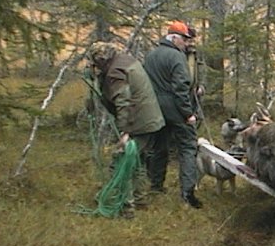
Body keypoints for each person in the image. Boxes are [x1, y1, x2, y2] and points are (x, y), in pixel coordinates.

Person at [85, 41, 165, 205]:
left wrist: (125, 132)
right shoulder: (125, 61)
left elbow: (123, 102)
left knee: (121, 161)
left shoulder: (115, 73)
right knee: (137, 161)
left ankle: (122, 203)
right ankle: (139, 199)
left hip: (138, 123)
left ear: (101, 61)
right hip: (150, 120)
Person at [144, 20, 203, 208]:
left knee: (158, 147)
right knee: (188, 147)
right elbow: (180, 88)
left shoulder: (151, 56)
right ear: (175, 38)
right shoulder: (177, 57)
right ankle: (188, 193)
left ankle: (155, 185)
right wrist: (188, 114)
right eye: (184, 40)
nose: (186, 44)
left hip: (154, 108)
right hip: (175, 109)